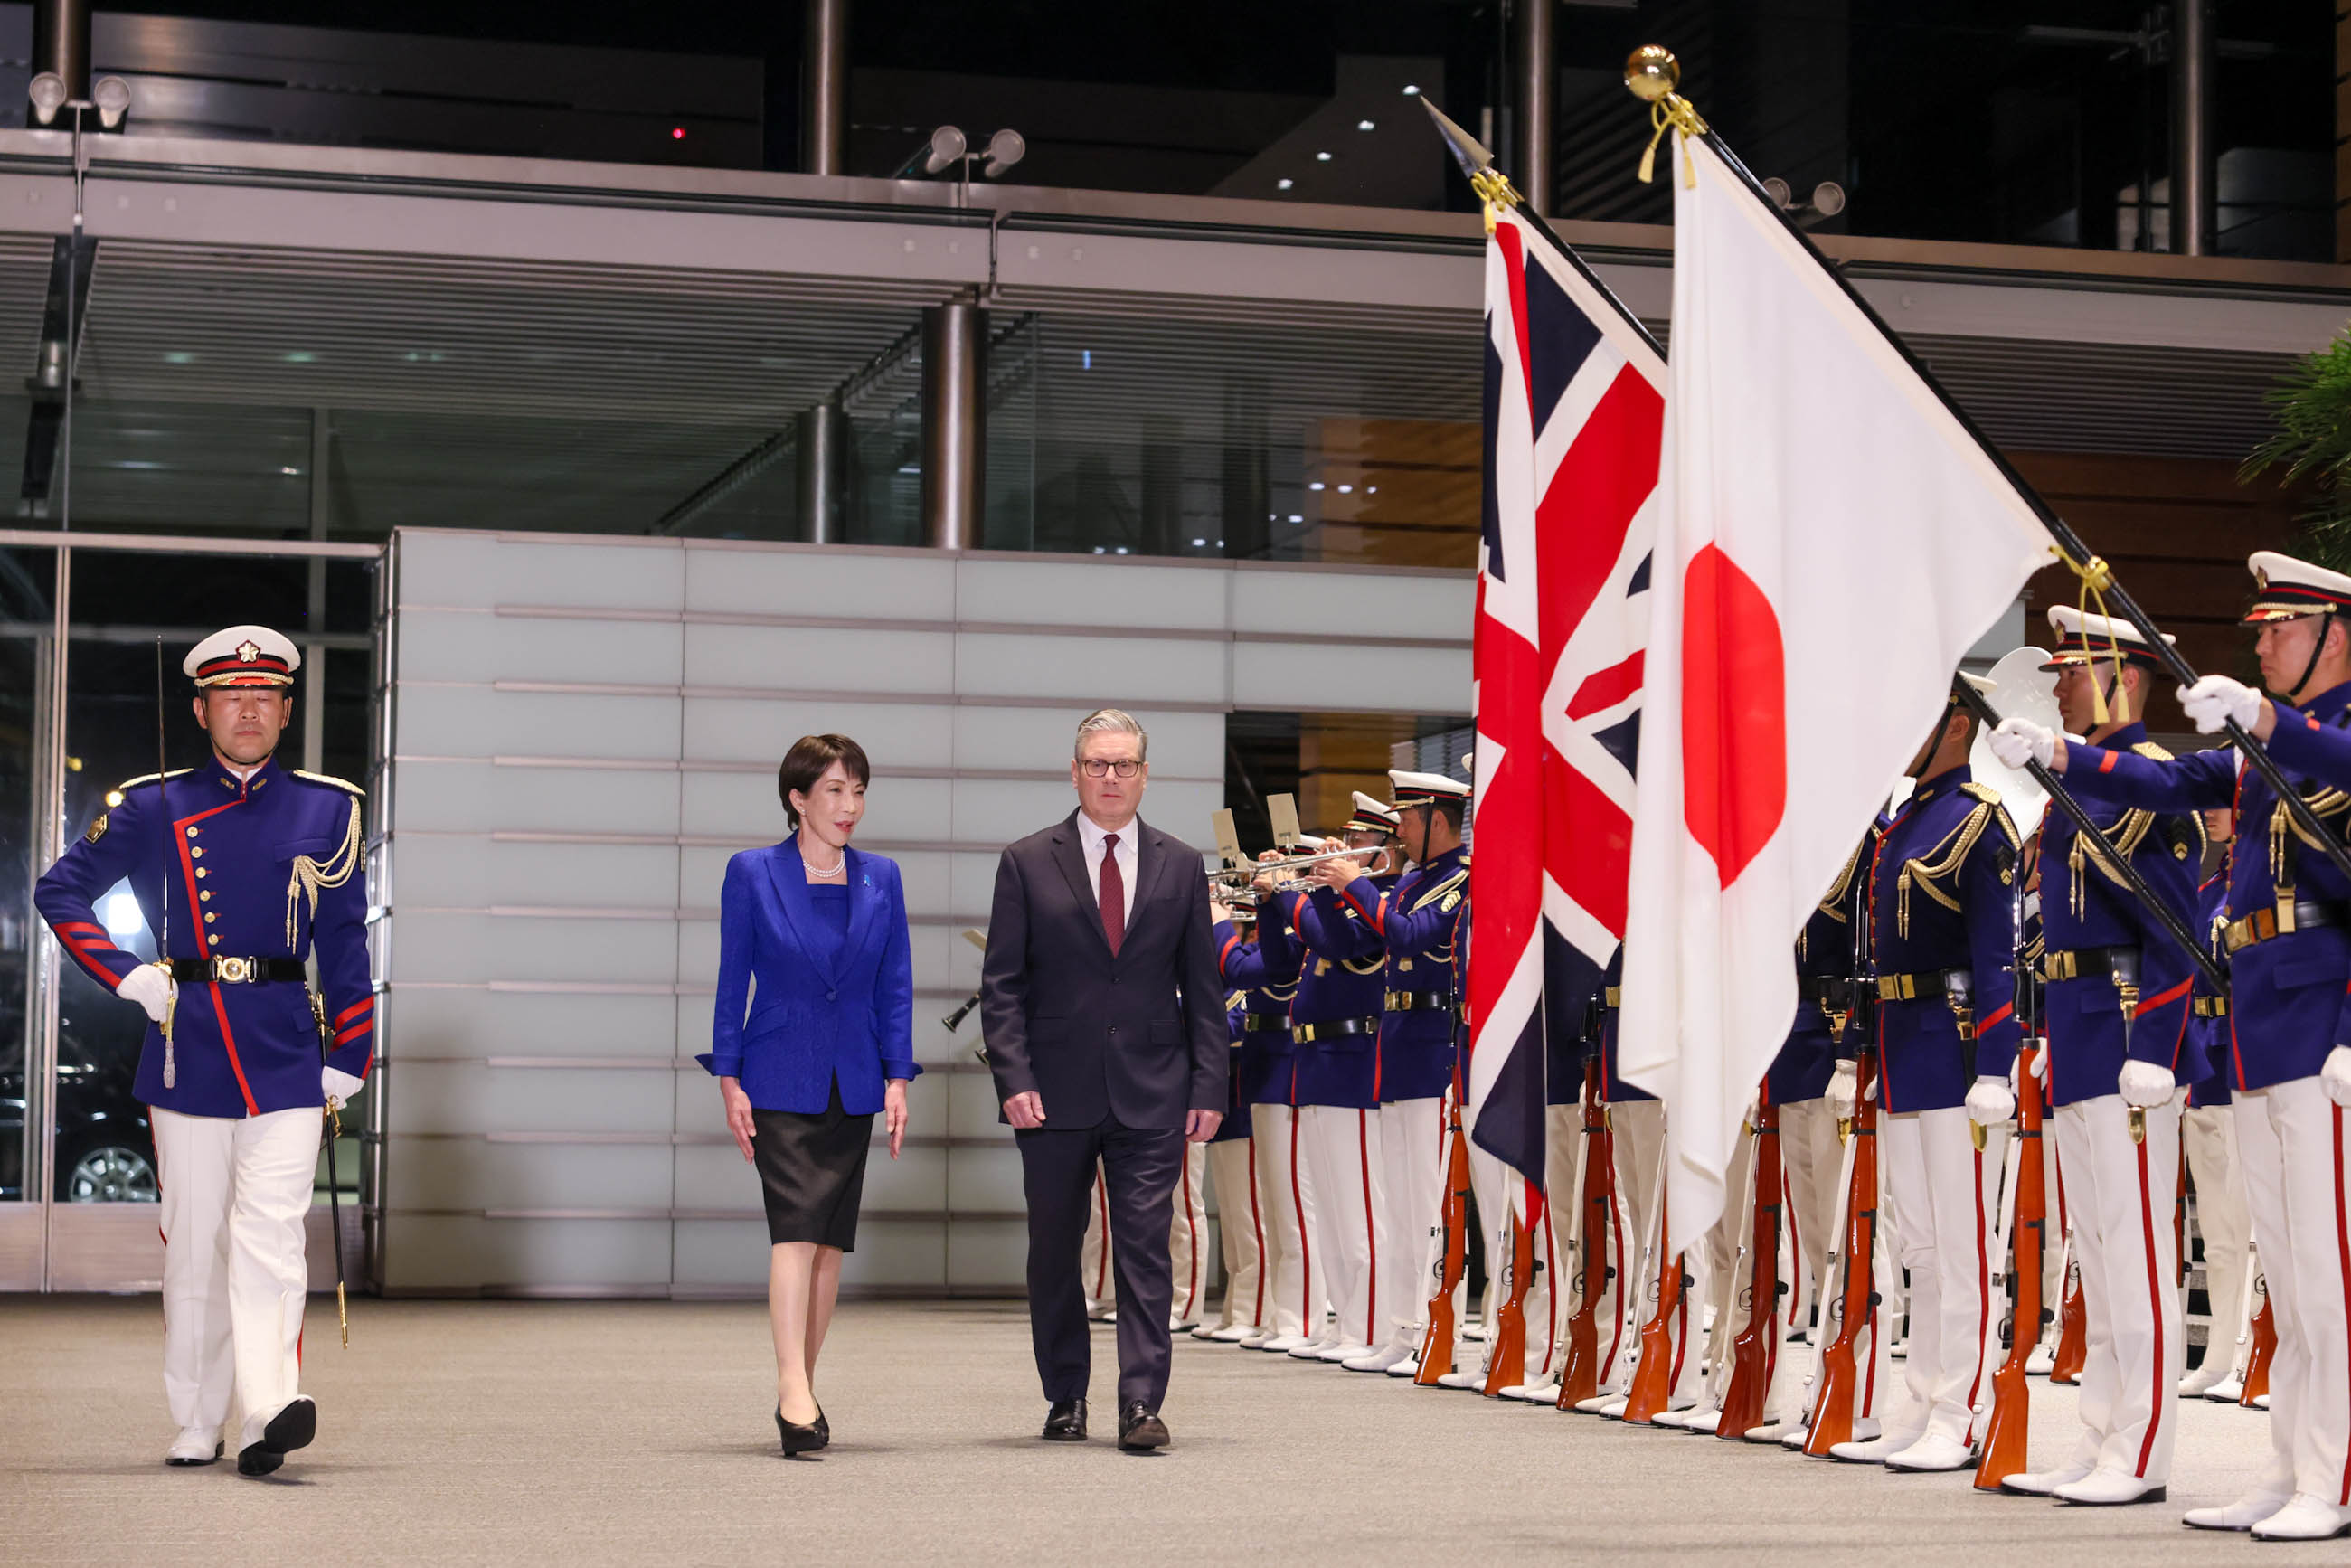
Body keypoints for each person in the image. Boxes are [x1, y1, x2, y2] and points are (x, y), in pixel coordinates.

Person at [1990, 551, 2351, 1538]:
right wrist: (2062, 759)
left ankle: (2336, 1476)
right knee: (2286, 1263)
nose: (2262, 642)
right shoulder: (2262, 743)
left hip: (2324, 1016)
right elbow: (2178, 780)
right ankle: (2292, 1465)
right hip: (2262, 1019)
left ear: (2333, 630)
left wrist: (2269, 724)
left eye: (2279, 627)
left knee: (2329, 1270)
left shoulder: (2332, 733)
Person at [35, 625, 371, 1478]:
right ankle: (196, 1416)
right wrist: (126, 977)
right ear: (201, 708)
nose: (248, 707)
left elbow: (345, 938)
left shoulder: (326, 808)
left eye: (264, 695)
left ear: (287, 709)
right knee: (193, 1244)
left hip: (289, 1047)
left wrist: (352, 1047)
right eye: (230, 694)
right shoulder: (153, 805)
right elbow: (60, 890)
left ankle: (267, 1410)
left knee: (271, 1236)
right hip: (187, 1049)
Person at [1990, 608, 2201, 1506]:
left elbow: (2174, 930)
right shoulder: (2067, 786)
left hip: (2124, 1041)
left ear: (2126, 675)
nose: (2062, 681)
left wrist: (2152, 1043)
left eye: (2077, 667)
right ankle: (2101, 1434)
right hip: (2075, 1035)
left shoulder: (2147, 782)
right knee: (2098, 1249)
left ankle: (2141, 1448)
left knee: (2139, 1252)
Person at [978, 708, 1226, 1452]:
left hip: (1153, 1090)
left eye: (1123, 765)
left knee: (1146, 1247)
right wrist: (1012, 1075)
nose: (1110, 777)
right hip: (1049, 1092)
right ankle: (1066, 1397)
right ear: (1075, 770)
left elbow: (1203, 991)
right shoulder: (1026, 861)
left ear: (1146, 775)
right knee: (1055, 1247)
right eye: (1097, 764)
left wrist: (1210, 1086)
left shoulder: (1181, 865)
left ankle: (1141, 1403)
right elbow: (1002, 985)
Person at [699, 732, 916, 1457]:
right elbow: (734, 982)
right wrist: (728, 1077)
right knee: (794, 1232)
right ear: (798, 798)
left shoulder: (882, 877)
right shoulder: (753, 872)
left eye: (858, 791)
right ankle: (794, 1389)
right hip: (777, 1073)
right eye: (834, 790)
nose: (850, 805)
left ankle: (802, 1388)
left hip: (853, 1077)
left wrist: (897, 1078)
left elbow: (895, 987)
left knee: (828, 1246)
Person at [1833, 672, 2022, 1472]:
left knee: (1961, 1239)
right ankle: (1922, 1395)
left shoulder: (1980, 823)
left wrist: (1997, 1062)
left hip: (1954, 1049)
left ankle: (1963, 1406)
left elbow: (1999, 956)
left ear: (1955, 724)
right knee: (1917, 1241)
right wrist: (1860, 1055)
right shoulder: (1905, 823)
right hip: (1904, 1044)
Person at [2181, 807, 2252, 1402]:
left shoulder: (2251, 881)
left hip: (2241, 1055)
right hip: (2204, 1061)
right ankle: (2218, 1351)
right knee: (2219, 1233)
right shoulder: (2206, 887)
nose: (2211, 812)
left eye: (2222, 801)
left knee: (2246, 1219)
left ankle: (2251, 1352)